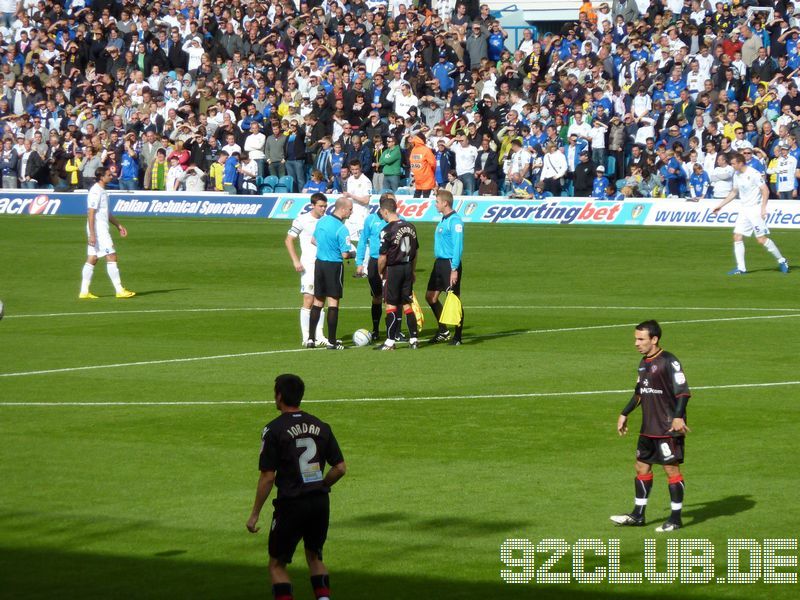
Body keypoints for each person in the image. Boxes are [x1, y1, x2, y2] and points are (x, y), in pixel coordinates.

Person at [246, 374, 346, 600]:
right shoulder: (322, 426)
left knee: (277, 565)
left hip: (291, 504)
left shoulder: (273, 430)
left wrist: (254, 514)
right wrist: (321, 484)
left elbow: (268, 477)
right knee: (315, 557)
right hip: (320, 502)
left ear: (279, 396)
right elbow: (340, 468)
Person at [611, 320, 690, 533]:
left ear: (654, 339)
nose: (636, 343)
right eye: (635, 339)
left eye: (641, 339)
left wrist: (678, 417)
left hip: (667, 427)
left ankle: (675, 519)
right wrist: (624, 413)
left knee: (671, 469)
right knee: (641, 466)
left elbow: (683, 392)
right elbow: (639, 393)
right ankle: (638, 515)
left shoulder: (669, 361)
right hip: (648, 427)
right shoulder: (643, 362)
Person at [712, 153, 790, 275]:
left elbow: (765, 190)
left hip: (755, 209)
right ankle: (741, 268)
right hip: (744, 209)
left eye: (733, 163)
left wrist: (763, 208)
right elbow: (734, 192)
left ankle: (782, 260)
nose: (731, 166)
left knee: (761, 239)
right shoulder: (737, 174)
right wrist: (720, 206)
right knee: (737, 236)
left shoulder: (753, 173)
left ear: (740, 163)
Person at [79, 167, 135, 300]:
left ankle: (84, 291)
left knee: (92, 258)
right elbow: (91, 213)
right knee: (112, 256)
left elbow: (106, 213)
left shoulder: (102, 191)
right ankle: (119, 290)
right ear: (101, 177)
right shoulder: (95, 192)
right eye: (109, 175)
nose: (112, 176)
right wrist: (92, 234)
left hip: (100, 228)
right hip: (99, 230)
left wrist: (118, 225)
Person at [308, 198, 355, 350]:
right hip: (333, 266)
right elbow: (345, 255)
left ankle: (310, 339)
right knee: (333, 302)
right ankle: (332, 341)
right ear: (342, 209)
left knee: (318, 302)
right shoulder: (342, 229)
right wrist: (353, 253)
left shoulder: (322, 221)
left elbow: (314, 240)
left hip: (319, 264)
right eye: (350, 209)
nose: (351, 212)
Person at [285, 193, 329, 348]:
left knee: (321, 299)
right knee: (309, 299)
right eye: (321, 206)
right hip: (308, 264)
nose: (323, 209)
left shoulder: (326, 220)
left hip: (324, 263)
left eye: (325, 206)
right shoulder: (302, 219)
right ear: (312, 205)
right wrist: (295, 260)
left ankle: (319, 335)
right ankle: (306, 336)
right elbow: (289, 239)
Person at [426, 189, 464, 346]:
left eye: (437, 202)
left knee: (453, 300)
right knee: (430, 297)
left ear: (445, 203)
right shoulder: (443, 219)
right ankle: (443, 330)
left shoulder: (455, 221)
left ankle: (458, 337)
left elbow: (458, 246)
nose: (435, 204)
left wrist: (454, 268)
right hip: (439, 263)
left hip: (449, 264)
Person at [355, 199, 389, 341]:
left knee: (391, 298)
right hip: (374, 261)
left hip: (391, 262)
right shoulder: (371, 219)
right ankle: (375, 329)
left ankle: (393, 331)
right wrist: (359, 262)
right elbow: (363, 240)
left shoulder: (398, 219)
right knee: (376, 297)